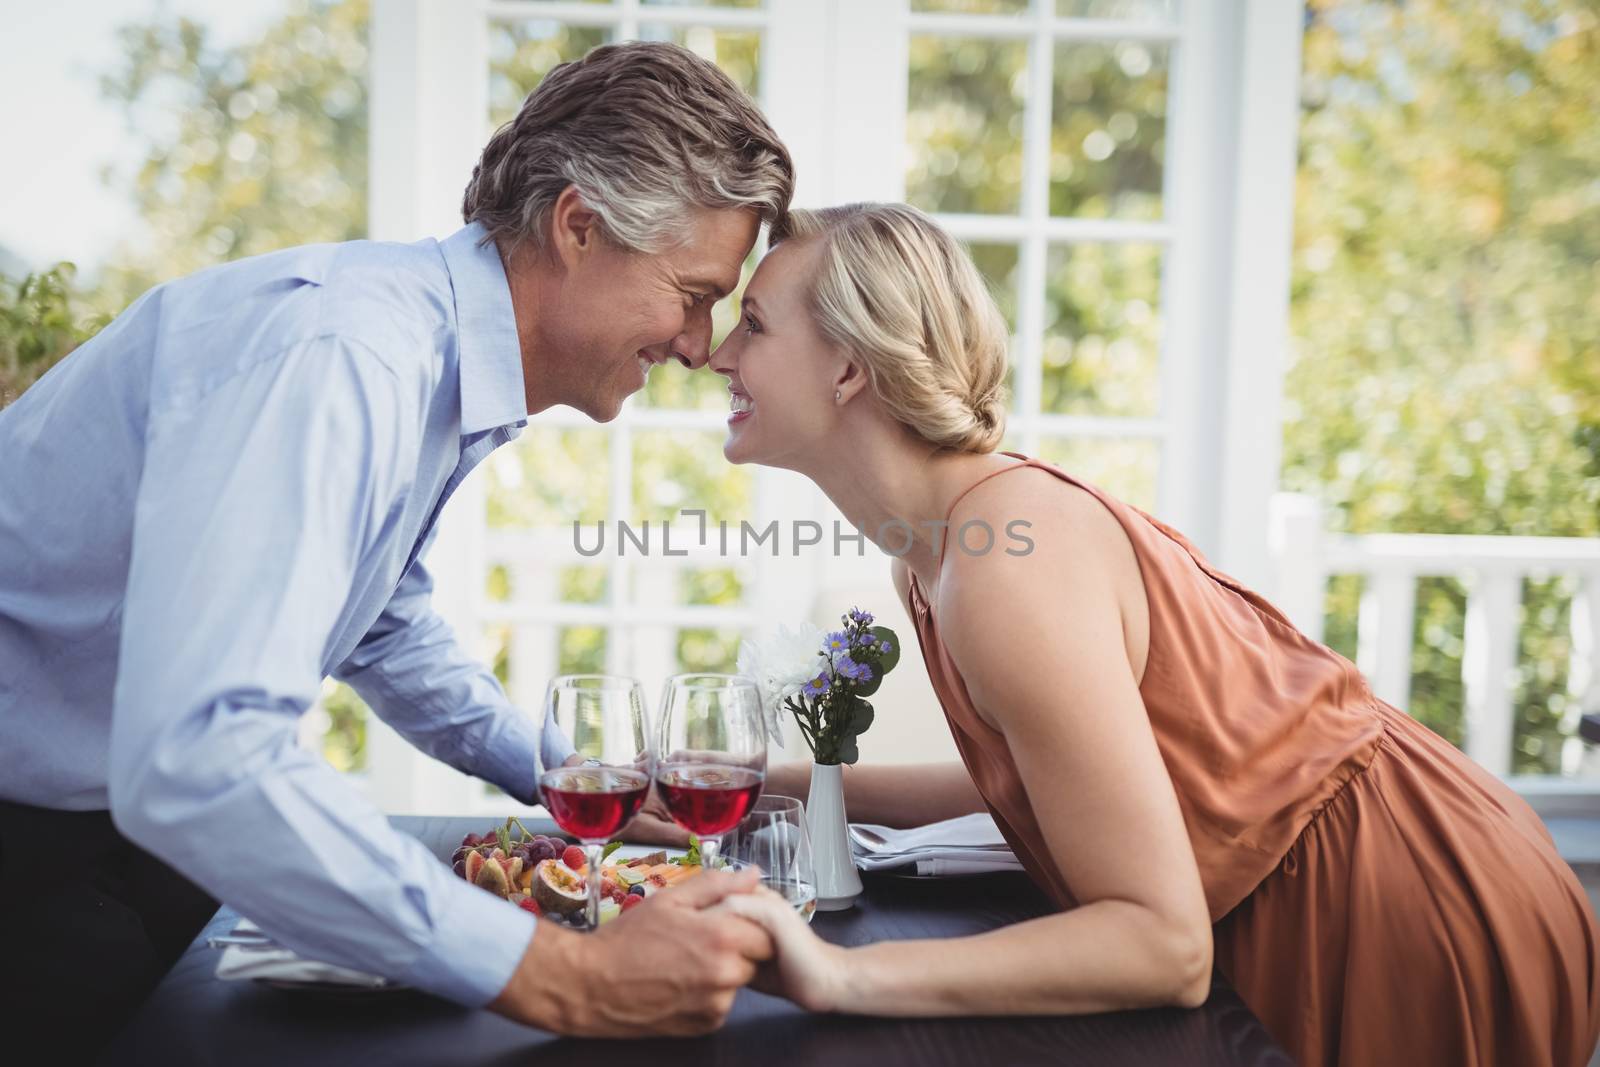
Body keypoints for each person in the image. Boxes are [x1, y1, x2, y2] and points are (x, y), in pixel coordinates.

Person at [0, 41, 791, 1053]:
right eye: (692, 292)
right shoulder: (343, 358)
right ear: (580, 226)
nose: (699, 341)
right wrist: (568, 979)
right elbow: (202, 753)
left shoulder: (417, 359)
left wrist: (567, 779)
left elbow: (380, 620)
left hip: (106, 825)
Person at [705, 202, 1600, 1067]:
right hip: (1358, 877)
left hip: (1400, 901)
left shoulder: (1004, 565)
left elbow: (1164, 948)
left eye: (752, 324)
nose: (715, 354)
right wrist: (772, 784)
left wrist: (835, 973)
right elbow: (1056, 771)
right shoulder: (940, 550)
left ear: (850, 368)